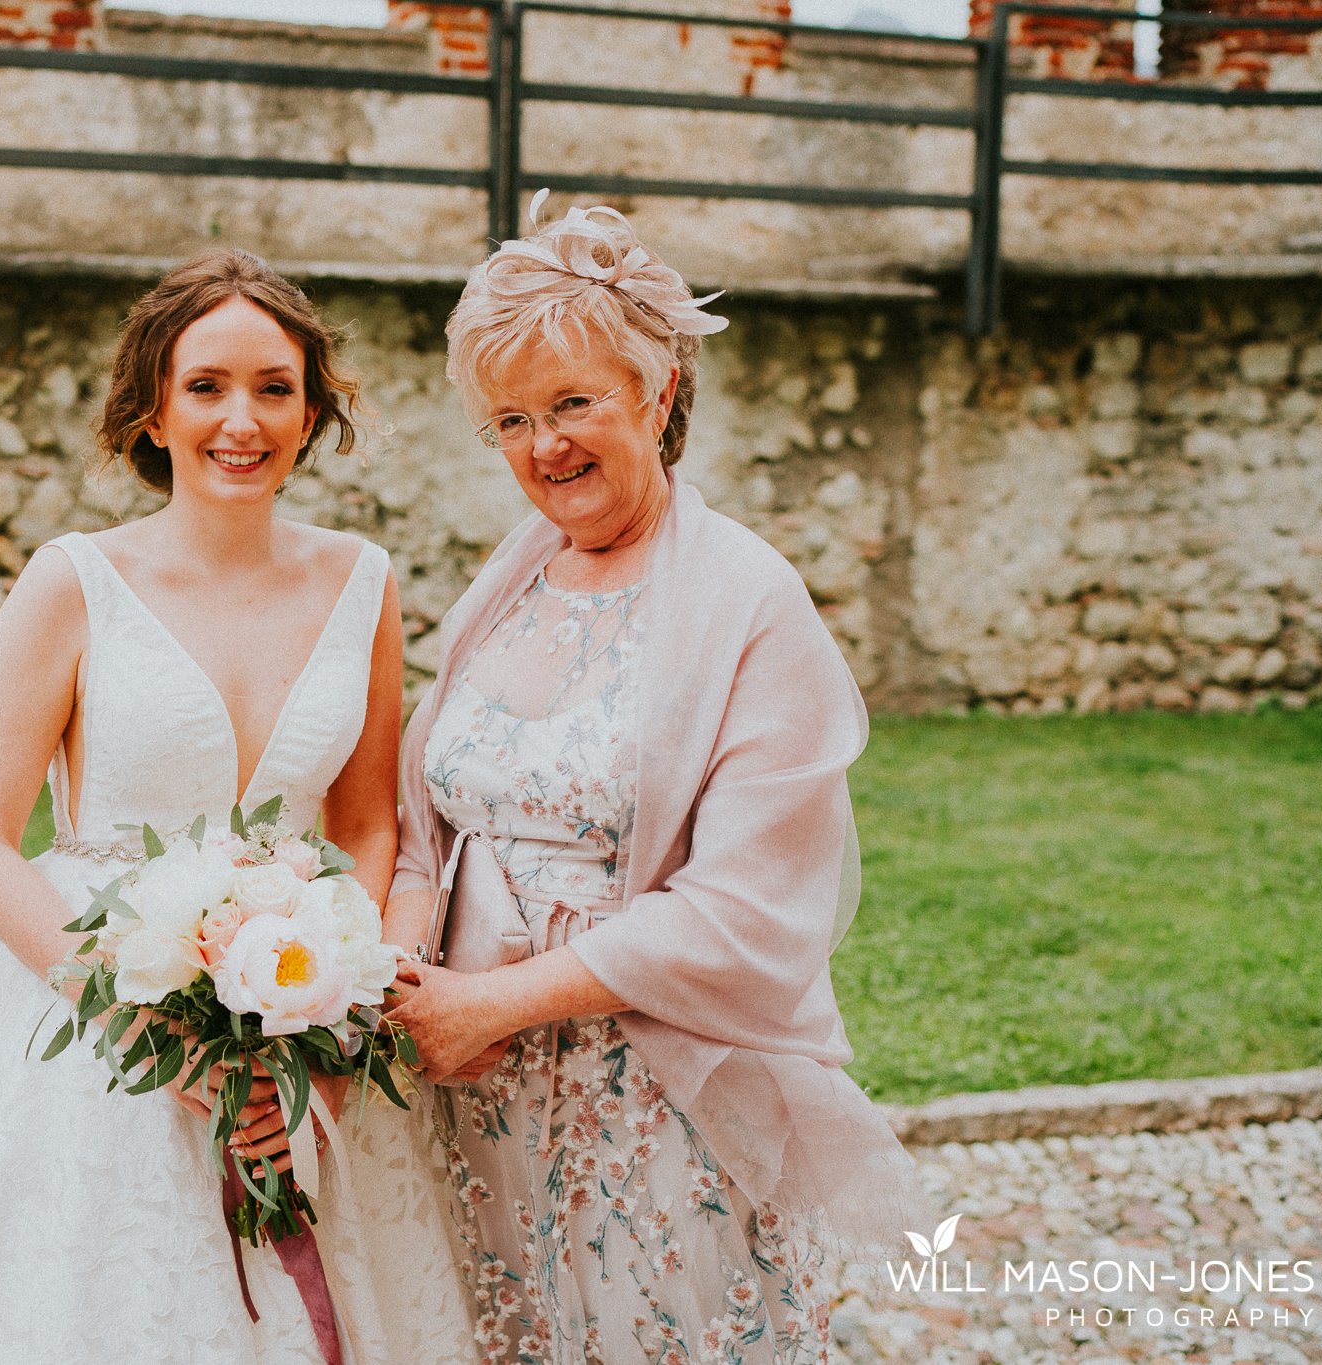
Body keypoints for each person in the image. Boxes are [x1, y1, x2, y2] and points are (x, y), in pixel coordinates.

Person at [0, 250, 475, 1365]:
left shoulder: (360, 582)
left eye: (274, 387)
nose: (242, 419)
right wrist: (134, 1026)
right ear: (154, 409)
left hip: (296, 995)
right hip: (91, 1010)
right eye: (206, 385)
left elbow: (367, 827)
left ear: (311, 409)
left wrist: (333, 1006)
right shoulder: (71, 584)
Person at [381, 196, 925, 1365]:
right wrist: (412, 972)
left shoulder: (747, 601)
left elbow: (746, 913)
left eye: (574, 403)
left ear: (658, 390)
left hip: (653, 1109)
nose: (544, 448)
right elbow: (428, 812)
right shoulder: (511, 579)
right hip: (472, 1098)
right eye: (511, 420)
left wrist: (493, 1003)